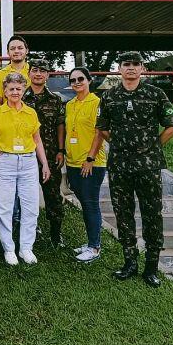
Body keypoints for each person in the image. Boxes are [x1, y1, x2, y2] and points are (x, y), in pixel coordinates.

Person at [91, 51, 173, 287]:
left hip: (148, 166)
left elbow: (171, 126)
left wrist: (153, 146)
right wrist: (119, 143)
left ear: (143, 69)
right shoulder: (109, 96)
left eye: (136, 64)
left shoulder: (155, 94)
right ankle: (129, 263)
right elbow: (103, 128)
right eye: (126, 64)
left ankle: (151, 267)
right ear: (120, 69)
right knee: (124, 214)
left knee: (152, 215)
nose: (131, 68)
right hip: (120, 165)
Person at [0, 72, 51, 266]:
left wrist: (44, 163)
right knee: (4, 207)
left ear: (24, 90)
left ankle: (26, 248)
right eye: (11, 89)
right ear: (5, 91)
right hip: (4, 162)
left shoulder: (31, 112)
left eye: (18, 88)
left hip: (28, 162)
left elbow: (36, 139)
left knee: (30, 207)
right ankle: (9, 248)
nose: (15, 92)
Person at [64, 66, 107, 263]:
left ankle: (94, 247)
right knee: (84, 203)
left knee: (90, 204)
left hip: (91, 163)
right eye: (73, 80)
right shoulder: (70, 104)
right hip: (73, 162)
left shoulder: (97, 102)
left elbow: (99, 133)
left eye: (81, 79)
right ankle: (90, 241)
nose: (77, 83)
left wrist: (90, 159)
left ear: (89, 80)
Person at [22, 58, 65, 246]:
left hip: (50, 153)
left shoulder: (55, 99)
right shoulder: (20, 97)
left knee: (53, 195)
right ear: (29, 73)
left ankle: (56, 234)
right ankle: (30, 230)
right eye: (35, 70)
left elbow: (60, 126)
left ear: (48, 75)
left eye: (43, 71)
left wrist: (61, 150)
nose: (38, 73)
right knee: (26, 197)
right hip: (25, 155)